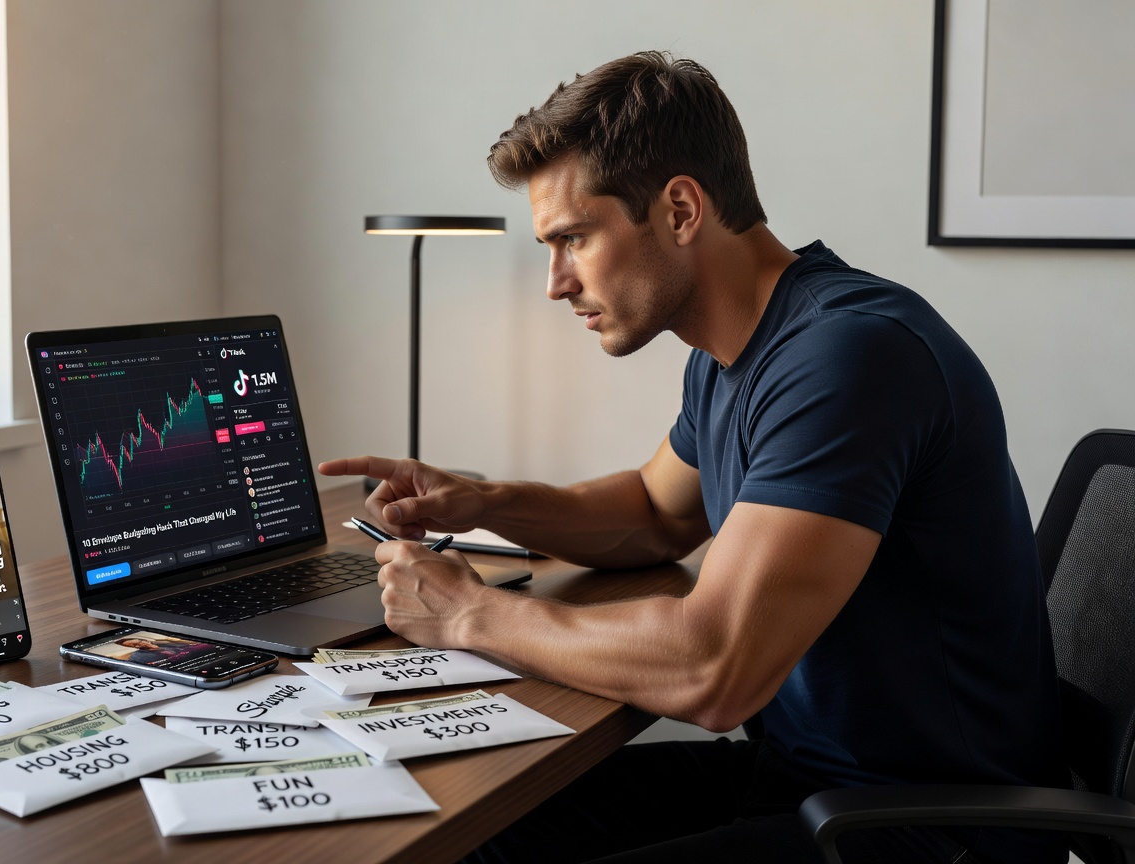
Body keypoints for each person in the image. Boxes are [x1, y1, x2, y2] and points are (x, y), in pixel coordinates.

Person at [319, 52, 1064, 863]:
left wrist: (470, 613)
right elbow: (653, 512)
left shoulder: (848, 357)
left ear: (679, 209)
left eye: (572, 239)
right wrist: (485, 500)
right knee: (467, 835)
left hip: (927, 829)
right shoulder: (729, 353)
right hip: (808, 781)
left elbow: (714, 668)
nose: (554, 283)